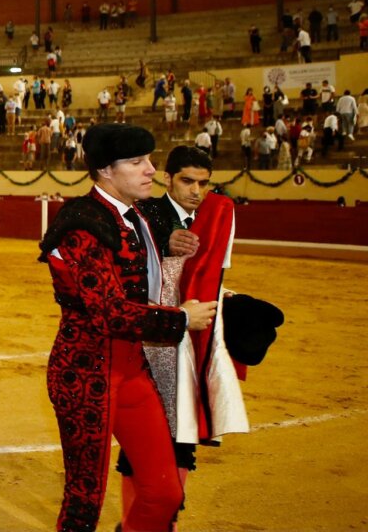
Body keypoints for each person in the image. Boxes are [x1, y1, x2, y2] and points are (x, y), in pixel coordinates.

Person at [38, 124, 217, 532]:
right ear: (105, 170)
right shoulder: (81, 224)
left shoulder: (136, 216)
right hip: (84, 372)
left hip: (132, 371)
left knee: (165, 493)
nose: (151, 170)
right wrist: (183, 319)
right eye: (137, 162)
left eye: (149, 160)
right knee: (85, 500)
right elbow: (109, 312)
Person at [126, 147, 249, 526]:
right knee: (146, 441)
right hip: (152, 342)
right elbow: (128, 265)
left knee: (184, 436)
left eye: (203, 182)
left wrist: (230, 302)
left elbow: (208, 279)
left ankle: (158, 523)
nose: (196, 190)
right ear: (167, 178)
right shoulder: (145, 212)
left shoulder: (214, 217)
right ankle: (140, 523)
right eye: (187, 181)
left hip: (192, 341)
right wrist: (163, 245)